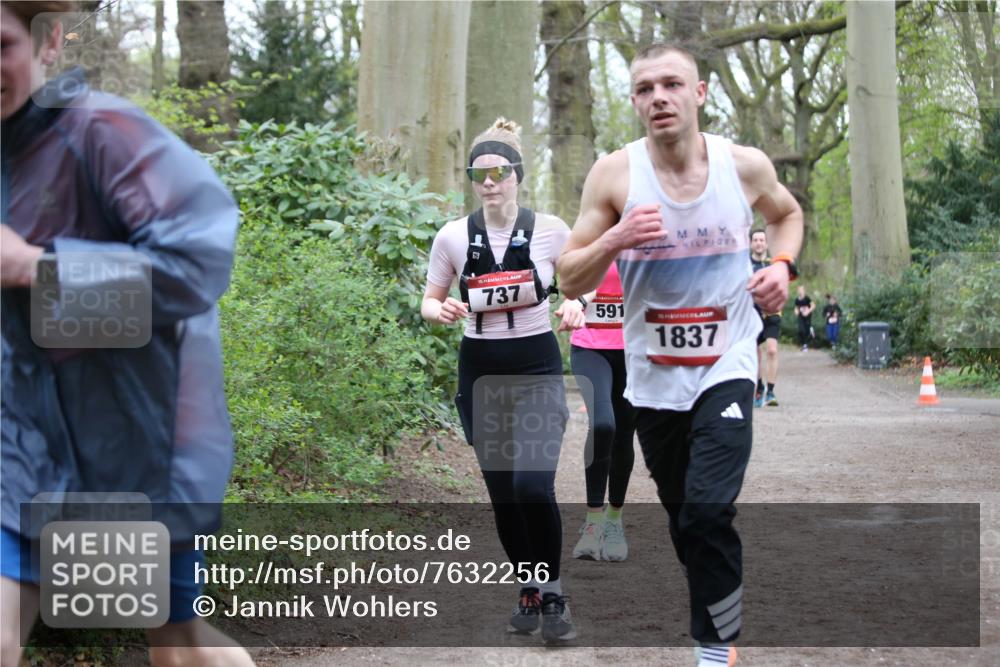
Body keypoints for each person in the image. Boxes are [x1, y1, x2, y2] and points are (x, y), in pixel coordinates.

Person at [0, 3, 252, 665]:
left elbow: (199, 267)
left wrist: (37, 269)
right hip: (20, 454)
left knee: (179, 652)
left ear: (48, 41)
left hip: (121, 453)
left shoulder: (100, 131)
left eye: (1, 45)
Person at [556, 43, 803, 667]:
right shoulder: (614, 175)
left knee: (708, 508)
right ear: (635, 101)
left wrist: (781, 265)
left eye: (672, 84)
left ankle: (715, 651)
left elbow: (788, 213)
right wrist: (615, 236)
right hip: (653, 377)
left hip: (727, 366)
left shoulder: (741, 165)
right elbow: (569, 280)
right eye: (645, 88)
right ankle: (714, 617)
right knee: (685, 518)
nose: (658, 97)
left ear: (699, 94)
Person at [421, 118, 582, 643]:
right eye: (479, 173)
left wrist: (576, 303)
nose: (489, 182)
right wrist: (438, 308)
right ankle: (528, 587)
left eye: (498, 171)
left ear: (517, 174)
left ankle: (553, 591)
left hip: (535, 367)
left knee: (531, 483)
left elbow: (582, 281)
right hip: (481, 369)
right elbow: (429, 299)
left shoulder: (553, 229)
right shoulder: (451, 235)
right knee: (503, 495)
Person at [568, 263, 636, 561]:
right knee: (603, 425)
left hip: (634, 351)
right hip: (590, 346)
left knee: (624, 434)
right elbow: (571, 277)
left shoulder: (649, 239)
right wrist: (577, 300)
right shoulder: (590, 235)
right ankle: (593, 523)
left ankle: (614, 520)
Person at [749, 229, 781, 407]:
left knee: (772, 350)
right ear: (751, 244)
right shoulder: (745, 264)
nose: (759, 243)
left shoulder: (774, 264)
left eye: (762, 240)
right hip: (752, 314)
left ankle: (771, 392)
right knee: (755, 354)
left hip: (772, 313)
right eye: (756, 240)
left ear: (767, 244)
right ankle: (759, 388)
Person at [794, 285, 815, 351]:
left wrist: (808, 311)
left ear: (804, 291)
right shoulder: (797, 299)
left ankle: (811, 333)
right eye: (799, 290)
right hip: (801, 317)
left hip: (807, 317)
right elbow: (796, 307)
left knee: (806, 332)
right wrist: (796, 311)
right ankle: (805, 345)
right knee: (800, 331)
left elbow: (813, 305)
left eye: (801, 290)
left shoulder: (807, 298)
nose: (800, 291)